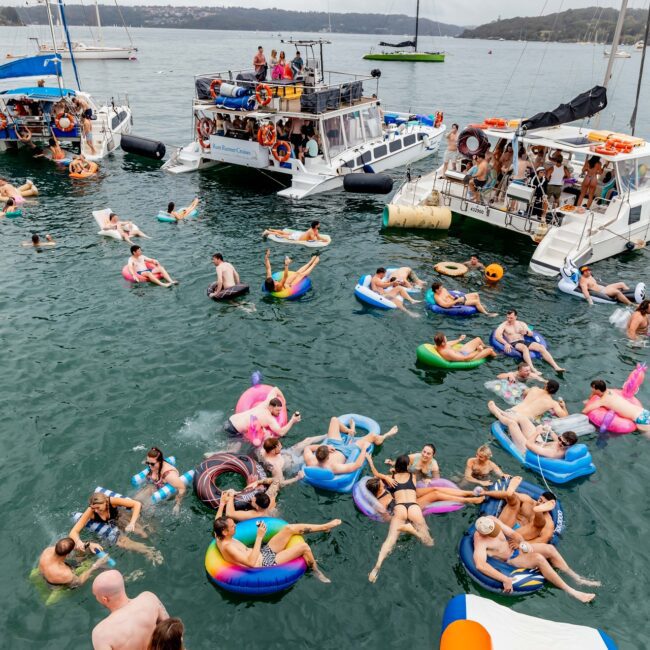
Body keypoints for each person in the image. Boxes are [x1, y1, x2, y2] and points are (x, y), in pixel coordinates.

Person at [472, 516, 598, 602]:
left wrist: (521, 542)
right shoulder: (480, 541)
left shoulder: (492, 520)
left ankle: (576, 578)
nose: (495, 531)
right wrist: (505, 579)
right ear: (483, 533)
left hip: (516, 548)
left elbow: (512, 533)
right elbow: (480, 565)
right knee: (539, 558)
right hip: (510, 559)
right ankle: (572, 592)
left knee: (549, 549)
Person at [213, 516, 340, 583]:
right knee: (304, 547)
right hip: (263, 563)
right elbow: (250, 563)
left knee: (288, 529)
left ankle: (324, 527)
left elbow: (216, 521)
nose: (235, 526)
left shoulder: (218, 536)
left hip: (262, 553)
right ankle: (316, 571)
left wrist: (223, 502)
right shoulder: (228, 547)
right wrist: (259, 536)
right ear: (224, 532)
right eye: (232, 526)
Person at [69, 492, 163, 564]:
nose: (96, 511)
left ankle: (155, 540)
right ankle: (149, 552)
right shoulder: (90, 511)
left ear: (105, 502)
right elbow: (73, 532)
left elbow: (136, 504)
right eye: (94, 508)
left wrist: (132, 522)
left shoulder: (111, 501)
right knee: (123, 542)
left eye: (98, 508)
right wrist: (79, 542)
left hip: (118, 517)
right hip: (105, 525)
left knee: (143, 533)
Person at [92, 570, 170, 650]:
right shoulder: (149, 599)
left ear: (105, 599)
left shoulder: (100, 633)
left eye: (95, 596)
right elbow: (172, 632)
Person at [303, 417, 398, 474]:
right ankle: (387, 435)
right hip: (346, 451)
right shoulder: (332, 467)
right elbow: (357, 465)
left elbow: (307, 447)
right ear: (327, 457)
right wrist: (364, 449)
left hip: (333, 445)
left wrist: (327, 447)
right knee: (373, 436)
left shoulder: (310, 461)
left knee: (334, 420)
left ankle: (349, 430)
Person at [488, 401, 578, 458]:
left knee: (512, 424)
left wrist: (537, 432)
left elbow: (528, 444)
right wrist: (549, 431)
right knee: (523, 418)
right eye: (560, 439)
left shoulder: (553, 453)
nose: (559, 443)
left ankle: (496, 413)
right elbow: (556, 439)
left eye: (563, 443)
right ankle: (502, 412)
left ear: (569, 446)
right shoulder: (562, 444)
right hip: (539, 443)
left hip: (527, 450)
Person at [483, 476, 556, 544]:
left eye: (544, 503)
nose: (539, 503)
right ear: (539, 497)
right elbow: (505, 495)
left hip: (519, 534)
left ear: (549, 508)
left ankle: (538, 512)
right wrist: (485, 493)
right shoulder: (529, 501)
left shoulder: (548, 522)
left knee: (537, 525)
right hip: (508, 524)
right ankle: (510, 493)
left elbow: (543, 540)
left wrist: (521, 544)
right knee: (514, 501)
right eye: (540, 500)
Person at [493, 309, 565, 372]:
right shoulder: (503, 325)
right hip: (513, 343)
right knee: (524, 348)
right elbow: (497, 336)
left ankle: (556, 367)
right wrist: (506, 343)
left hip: (523, 341)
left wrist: (526, 332)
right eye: (507, 317)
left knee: (541, 347)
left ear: (515, 317)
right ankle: (532, 368)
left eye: (511, 318)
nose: (509, 319)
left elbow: (531, 334)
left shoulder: (521, 324)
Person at [224, 385, 300, 439]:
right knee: (234, 450)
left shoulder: (267, 402)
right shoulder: (269, 419)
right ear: (271, 407)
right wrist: (292, 420)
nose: (279, 413)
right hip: (234, 430)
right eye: (277, 410)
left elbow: (275, 389)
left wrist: (283, 399)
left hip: (231, 419)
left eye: (280, 410)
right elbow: (281, 432)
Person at [583, 379, 650, 433]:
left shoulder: (602, 401)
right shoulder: (611, 391)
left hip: (640, 420)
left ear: (596, 389)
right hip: (644, 412)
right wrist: (594, 393)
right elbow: (598, 392)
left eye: (592, 388)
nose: (591, 390)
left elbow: (585, 411)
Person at [38, 537, 108, 587]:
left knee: (80, 556)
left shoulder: (47, 551)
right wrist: (95, 566)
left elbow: (66, 547)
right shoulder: (65, 573)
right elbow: (79, 582)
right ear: (68, 554)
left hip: (43, 573)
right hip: (56, 585)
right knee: (92, 565)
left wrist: (87, 544)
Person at [135, 447, 186, 515]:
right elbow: (150, 462)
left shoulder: (169, 475)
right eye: (148, 463)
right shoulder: (153, 464)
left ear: (160, 461)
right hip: (152, 487)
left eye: (152, 464)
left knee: (145, 511)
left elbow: (182, 488)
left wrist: (177, 505)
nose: (149, 465)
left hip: (165, 495)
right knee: (135, 501)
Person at [258, 435, 326, 482]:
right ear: (272, 451)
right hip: (293, 464)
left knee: (307, 440)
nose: (281, 446)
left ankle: (327, 435)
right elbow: (280, 483)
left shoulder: (262, 450)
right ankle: (326, 450)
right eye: (279, 446)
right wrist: (297, 478)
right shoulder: (275, 466)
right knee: (311, 456)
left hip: (287, 452)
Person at [489, 379, 568, 420]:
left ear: (546, 385)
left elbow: (523, 394)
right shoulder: (553, 403)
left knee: (505, 416)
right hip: (523, 419)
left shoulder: (534, 389)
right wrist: (563, 406)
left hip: (511, 411)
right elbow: (564, 417)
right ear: (555, 392)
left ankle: (498, 412)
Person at [215, 484, 281, 522]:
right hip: (274, 517)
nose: (251, 499)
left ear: (257, 507)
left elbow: (229, 514)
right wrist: (258, 482)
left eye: (253, 501)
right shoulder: (271, 499)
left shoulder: (254, 515)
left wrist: (231, 495)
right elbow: (276, 481)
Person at [430, 281, 497, 317]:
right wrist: (456, 301)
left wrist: (454, 298)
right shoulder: (437, 298)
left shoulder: (443, 290)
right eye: (440, 288)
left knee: (475, 294)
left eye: (442, 287)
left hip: (456, 300)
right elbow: (446, 305)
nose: (442, 288)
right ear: (436, 290)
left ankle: (479, 307)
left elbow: (449, 295)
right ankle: (487, 314)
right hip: (455, 304)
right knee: (476, 301)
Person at [432, 332, 497, 362]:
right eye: (445, 338)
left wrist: (460, 339)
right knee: (490, 350)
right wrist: (478, 351)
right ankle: (497, 357)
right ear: (443, 343)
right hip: (467, 358)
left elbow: (449, 343)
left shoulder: (440, 345)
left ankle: (484, 347)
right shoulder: (447, 352)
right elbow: (465, 358)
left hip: (461, 352)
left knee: (478, 339)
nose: (446, 338)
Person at [263, 220, 328, 243]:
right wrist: (322, 240)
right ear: (316, 226)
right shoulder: (311, 231)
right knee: (282, 235)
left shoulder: (315, 230)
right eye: (319, 224)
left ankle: (271, 229)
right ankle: (268, 232)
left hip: (299, 234)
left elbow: (318, 237)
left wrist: (324, 239)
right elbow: (314, 240)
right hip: (297, 238)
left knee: (284, 233)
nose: (319, 225)